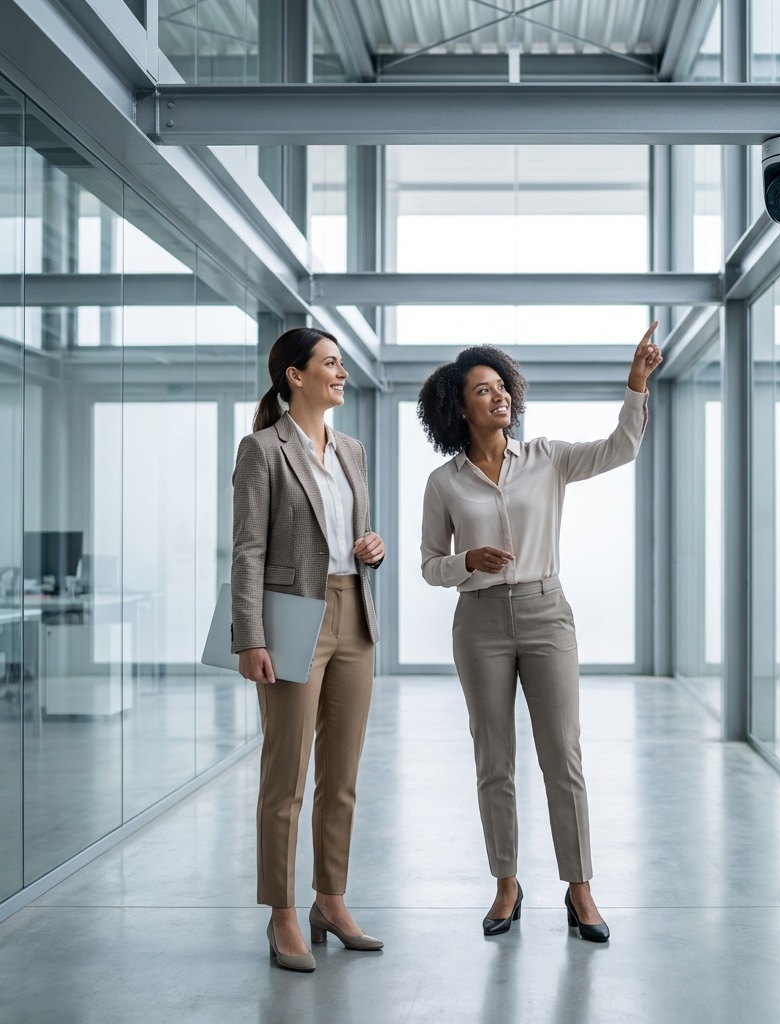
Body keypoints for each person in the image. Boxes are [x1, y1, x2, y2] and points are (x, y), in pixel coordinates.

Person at [418, 323, 662, 943]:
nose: (498, 396)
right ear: (458, 407)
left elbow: (620, 448)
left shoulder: (548, 457)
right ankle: (506, 884)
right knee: (492, 760)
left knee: (562, 755)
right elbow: (428, 565)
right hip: (478, 625)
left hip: (546, 613)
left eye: (502, 387)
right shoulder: (444, 483)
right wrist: (466, 563)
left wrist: (636, 385)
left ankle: (580, 889)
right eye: (482, 390)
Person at [231, 327, 385, 972]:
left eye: (341, 363)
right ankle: (283, 915)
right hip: (292, 617)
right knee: (285, 777)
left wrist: (370, 546)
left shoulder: (350, 448)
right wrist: (250, 637)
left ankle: (329, 900)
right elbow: (247, 548)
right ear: (295, 375)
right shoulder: (262, 450)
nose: (341, 372)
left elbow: (350, 529)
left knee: (342, 777)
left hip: (355, 614)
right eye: (330, 363)